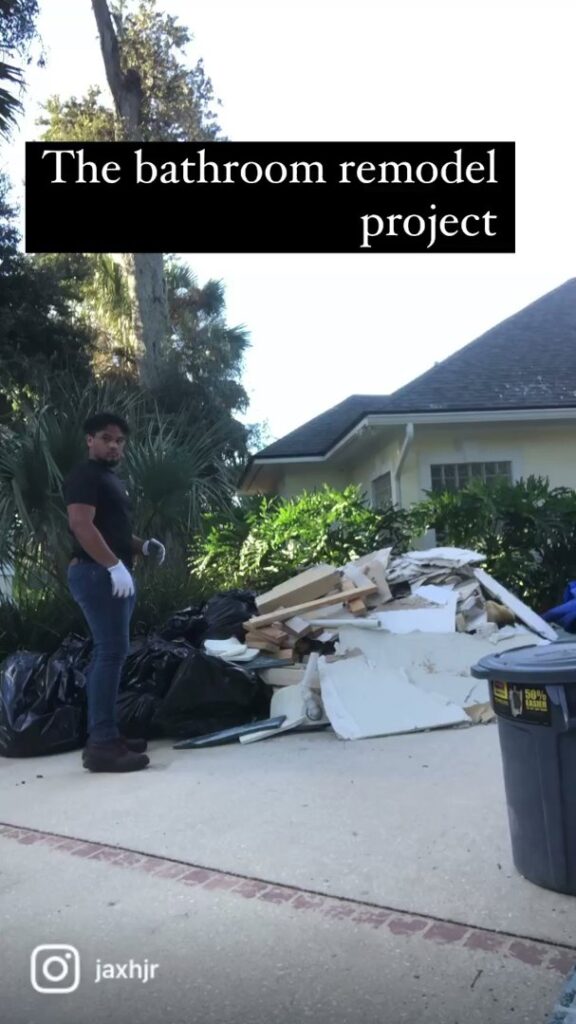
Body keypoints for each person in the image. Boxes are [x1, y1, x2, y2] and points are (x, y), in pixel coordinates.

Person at [63, 412, 166, 773]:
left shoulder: (110, 480)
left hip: (107, 572)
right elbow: (80, 525)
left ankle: (107, 735)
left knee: (113, 653)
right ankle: (102, 744)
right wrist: (112, 566)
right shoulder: (85, 476)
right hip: (95, 574)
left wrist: (141, 547)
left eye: (120, 441)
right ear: (90, 440)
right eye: (106, 438)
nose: (114, 445)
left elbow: (114, 532)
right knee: (110, 653)